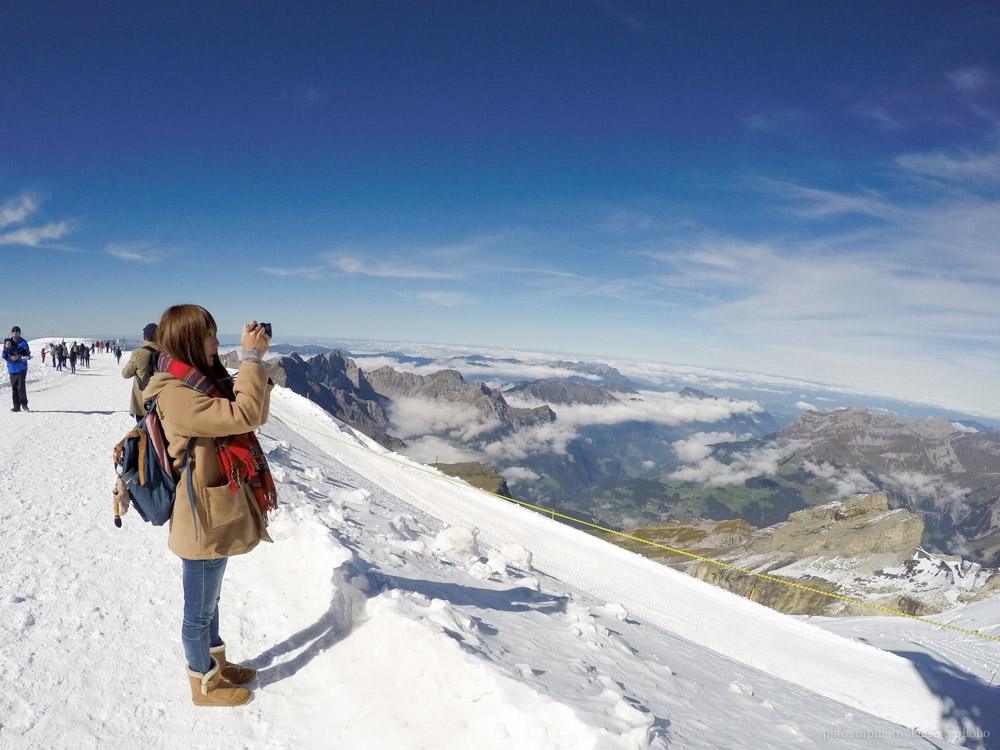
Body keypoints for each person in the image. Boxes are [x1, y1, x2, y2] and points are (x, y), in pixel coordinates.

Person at [143, 305, 275, 707]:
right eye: (210, 336)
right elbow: (245, 413)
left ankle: (215, 663)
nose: (218, 344)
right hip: (200, 521)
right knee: (198, 611)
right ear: (188, 341)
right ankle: (203, 683)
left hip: (211, 515)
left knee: (210, 601)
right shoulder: (177, 394)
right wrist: (252, 359)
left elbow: (244, 408)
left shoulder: (194, 381)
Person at [121, 323, 159, 421]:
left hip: (142, 401)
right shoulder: (165, 353)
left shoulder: (139, 353)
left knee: (143, 432)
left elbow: (125, 373)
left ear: (144, 337)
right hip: (160, 401)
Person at [3, 326, 30, 412]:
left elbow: (27, 354)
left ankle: (24, 405)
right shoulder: (8, 342)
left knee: (21, 387)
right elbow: (4, 354)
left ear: (19, 333)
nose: (15, 332)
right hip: (12, 369)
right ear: (11, 333)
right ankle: (16, 406)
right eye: (13, 331)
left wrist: (19, 356)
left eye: (17, 331)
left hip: (21, 368)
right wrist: (9, 357)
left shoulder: (23, 342)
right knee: (14, 388)